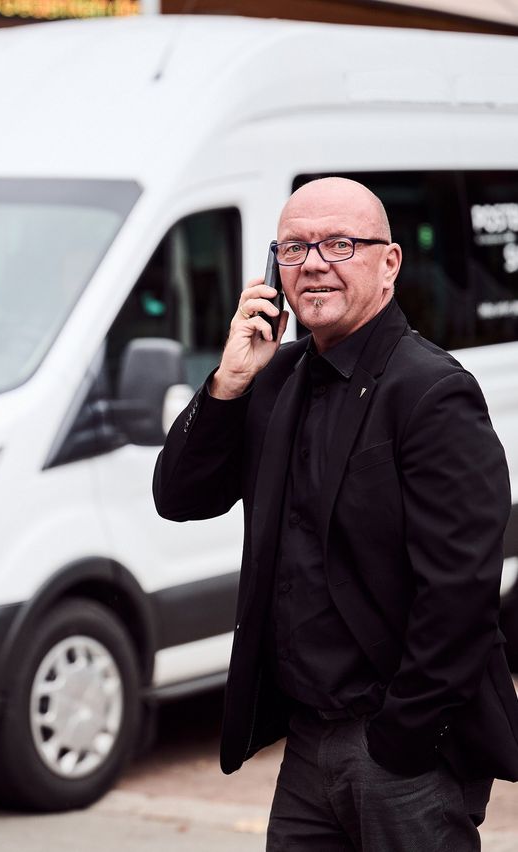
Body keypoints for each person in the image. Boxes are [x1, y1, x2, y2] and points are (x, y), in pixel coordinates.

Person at [152, 177, 518, 851]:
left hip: (400, 749)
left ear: (389, 263)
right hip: (308, 743)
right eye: (294, 248)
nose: (314, 263)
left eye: (339, 244)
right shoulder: (275, 378)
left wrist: (403, 735)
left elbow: (461, 590)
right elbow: (180, 497)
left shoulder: (433, 390)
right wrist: (229, 381)